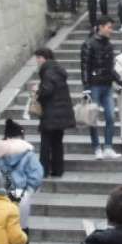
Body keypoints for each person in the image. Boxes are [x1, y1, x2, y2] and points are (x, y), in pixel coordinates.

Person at [80, 15, 122, 159]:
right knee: (92, 117)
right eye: (109, 27)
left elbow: (110, 67)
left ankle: (108, 147)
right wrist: (86, 87)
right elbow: (84, 67)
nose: (111, 30)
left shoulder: (109, 45)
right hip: (94, 85)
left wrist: (119, 80)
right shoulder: (88, 44)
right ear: (101, 27)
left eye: (111, 27)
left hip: (107, 85)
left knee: (110, 116)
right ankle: (97, 147)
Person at [34, 48, 75, 178]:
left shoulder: (47, 72)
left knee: (45, 143)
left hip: (51, 113)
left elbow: (47, 91)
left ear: (44, 58)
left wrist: (37, 91)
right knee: (57, 142)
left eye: (39, 58)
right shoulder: (58, 70)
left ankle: (43, 170)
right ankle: (58, 170)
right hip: (61, 113)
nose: (37, 61)